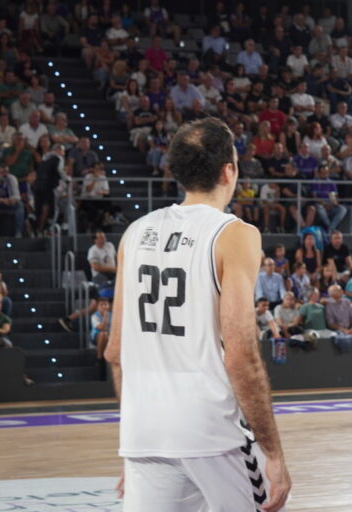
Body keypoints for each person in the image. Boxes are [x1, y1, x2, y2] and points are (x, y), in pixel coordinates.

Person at [104, 118, 290, 510]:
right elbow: (241, 354)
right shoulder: (235, 234)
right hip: (211, 434)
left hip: (143, 435)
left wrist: (138, 444)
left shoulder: (135, 233)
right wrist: (273, 454)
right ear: (229, 170)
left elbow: (116, 351)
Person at [0, 165, 24, 238]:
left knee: (20, 205)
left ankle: (18, 232)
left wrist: (12, 200)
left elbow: (17, 196)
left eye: (6, 172)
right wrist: (2, 200)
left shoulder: (12, 178)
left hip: (8, 201)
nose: (4, 174)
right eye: (2, 172)